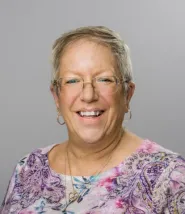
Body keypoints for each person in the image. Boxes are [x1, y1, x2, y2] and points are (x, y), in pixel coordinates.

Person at [1, 26, 185, 214]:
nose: (88, 95)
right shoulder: (28, 168)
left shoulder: (171, 177)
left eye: (104, 79)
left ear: (127, 94)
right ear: (57, 96)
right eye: (72, 81)